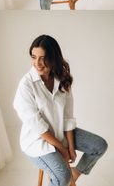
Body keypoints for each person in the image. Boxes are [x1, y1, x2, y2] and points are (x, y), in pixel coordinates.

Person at [13, 35, 107, 186]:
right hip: (37, 140)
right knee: (62, 176)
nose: (37, 63)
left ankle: (75, 174)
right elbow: (38, 126)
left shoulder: (62, 79)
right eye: (33, 57)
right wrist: (63, 150)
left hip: (60, 131)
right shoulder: (26, 85)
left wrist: (70, 146)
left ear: (53, 58)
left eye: (43, 58)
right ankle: (64, 177)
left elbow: (67, 117)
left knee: (99, 145)